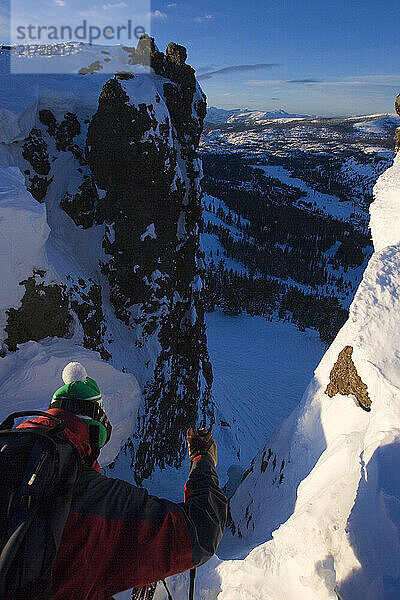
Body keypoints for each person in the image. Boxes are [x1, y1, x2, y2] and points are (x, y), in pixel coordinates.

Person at [17, 362, 227, 600]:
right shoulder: (97, 499)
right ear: (96, 432)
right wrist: (202, 460)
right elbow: (202, 531)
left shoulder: (8, 462)